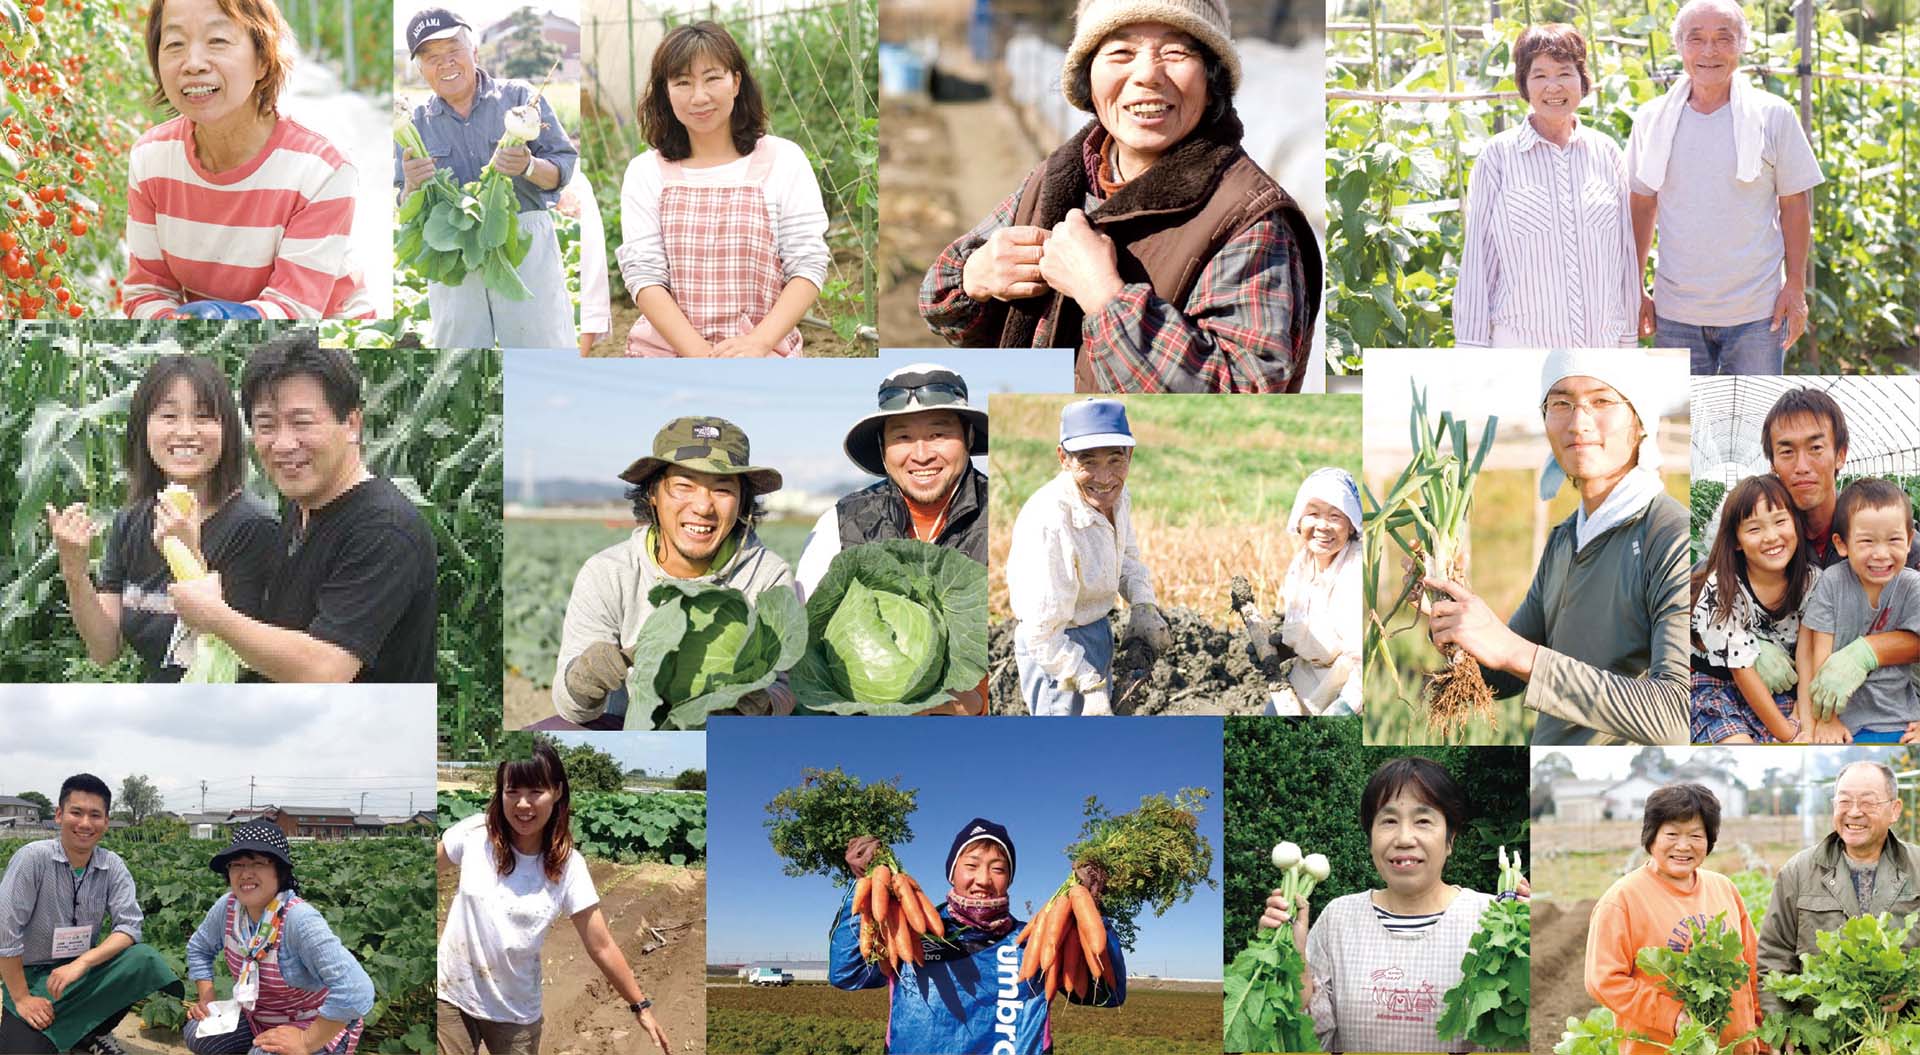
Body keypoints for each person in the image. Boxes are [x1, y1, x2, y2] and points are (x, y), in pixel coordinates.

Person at [917, 0, 1321, 392]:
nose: (1148, 74)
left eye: (1177, 51)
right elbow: (937, 299)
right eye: (1121, 52)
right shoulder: (1062, 176)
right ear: (1087, 79)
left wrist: (1106, 298)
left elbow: (1243, 393)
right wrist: (977, 275)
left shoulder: (1249, 220)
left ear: (1213, 80)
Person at [1423, 348, 1689, 744]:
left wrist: (1516, 653)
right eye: (1561, 403)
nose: (1579, 423)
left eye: (1601, 401)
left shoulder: (1671, 537)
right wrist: (1453, 616)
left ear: (1639, 421)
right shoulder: (1566, 538)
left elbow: (1675, 715)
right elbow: (1503, 674)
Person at [167, 336, 438, 683]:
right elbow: (267, 638)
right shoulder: (303, 509)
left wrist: (215, 617)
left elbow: (325, 668)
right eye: (266, 425)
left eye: (302, 422)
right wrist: (190, 551)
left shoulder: (384, 529)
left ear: (351, 425)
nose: (282, 444)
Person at [123, 0, 372, 319]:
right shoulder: (151, 159)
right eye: (174, 44)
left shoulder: (320, 169)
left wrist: (215, 321)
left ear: (263, 61)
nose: (193, 63)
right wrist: (179, 326)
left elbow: (293, 308)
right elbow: (147, 290)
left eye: (218, 41)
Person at [1260, 757, 1526, 1052]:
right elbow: (1308, 1040)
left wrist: (1528, 943)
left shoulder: (1492, 919)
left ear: (1450, 839)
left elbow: (1514, 1037)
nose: (1404, 838)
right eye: (1388, 821)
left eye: (1423, 821)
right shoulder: (1338, 918)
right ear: (1370, 838)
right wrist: (1291, 957)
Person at [546, 416, 796, 729]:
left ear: (742, 501)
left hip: (725, 734)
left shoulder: (768, 577)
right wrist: (582, 681)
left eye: (722, 490)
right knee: (553, 731)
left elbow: (787, 689)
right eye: (684, 486)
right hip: (631, 726)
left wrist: (764, 703)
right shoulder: (608, 573)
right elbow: (572, 709)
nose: (703, 507)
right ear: (652, 492)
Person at [44, 355, 278, 682]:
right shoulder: (131, 522)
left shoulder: (253, 528)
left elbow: (228, 660)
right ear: (144, 427)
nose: (185, 432)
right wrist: (74, 571)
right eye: (168, 416)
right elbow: (105, 649)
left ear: (227, 430)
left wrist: (190, 556)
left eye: (203, 416)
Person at [1628, 0, 1823, 374]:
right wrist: (1635, 288)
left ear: (1742, 44)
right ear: (1678, 46)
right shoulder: (1653, 119)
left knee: (1754, 424)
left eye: (1723, 38)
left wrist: (1795, 287)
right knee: (1682, 429)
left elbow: (1795, 206)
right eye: (1695, 39)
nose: (1709, 51)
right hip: (1676, 311)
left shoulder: (1773, 115)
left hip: (1757, 311)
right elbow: (1642, 204)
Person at [437, 742, 669, 1055]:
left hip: (515, 1012)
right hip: (451, 995)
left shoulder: (568, 866)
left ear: (557, 792)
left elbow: (600, 945)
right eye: (512, 791)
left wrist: (640, 1005)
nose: (522, 804)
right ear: (500, 792)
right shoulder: (476, 834)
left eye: (535, 791)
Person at [616, 21, 829, 357]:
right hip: (667, 351)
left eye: (712, 78)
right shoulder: (645, 172)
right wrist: (699, 353)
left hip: (762, 347)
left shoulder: (784, 159)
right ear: (666, 92)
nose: (699, 96)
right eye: (682, 82)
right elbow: (644, 274)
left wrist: (758, 342)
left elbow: (808, 263)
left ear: (736, 82)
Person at [795, 363, 989, 715]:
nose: (921, 454)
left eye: (938, 434)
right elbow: (803, 647)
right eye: (902, 437)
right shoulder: (839, 526)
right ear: (883, 448)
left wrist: (976, 704)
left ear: (969, 438)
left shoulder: (1007, 517)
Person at [830, 820, 1122, 1053]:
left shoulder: (1036, 940)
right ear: (952, 873)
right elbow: (847, 973)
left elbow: (1105, 995)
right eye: (971, 866)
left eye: (998, 869)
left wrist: (1093, 913)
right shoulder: (907, 930)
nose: (983, 879)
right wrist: (865, 890)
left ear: (1009, 879)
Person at [396, 8, 578, 349]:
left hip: (521, 240)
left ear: (474, 52)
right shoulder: (414, 124)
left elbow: (562, 167)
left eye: (454, 52)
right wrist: (411, 186)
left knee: (539, 347)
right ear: (420, 69)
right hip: (451, 247)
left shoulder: (520, 99)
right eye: (432, 58)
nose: (446, 64)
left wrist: (528, 166)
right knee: (460, 358)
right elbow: (403, 205)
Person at [1453, 23, 1637, 347]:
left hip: (1600, 351)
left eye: (1565, 73)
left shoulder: (1607, 153)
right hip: (1521, 351)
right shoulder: (1497, 158)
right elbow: (1477, 267)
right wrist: (1471, 352)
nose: (1553, 86)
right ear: (1524, 85)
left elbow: (1624, 259)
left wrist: (1628, 342)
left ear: (1582, 80)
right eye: (1539, 75)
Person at [1007, 399, 1171, 715]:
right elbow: (1042, 633)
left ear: (1130, 456)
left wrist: (1142, 603)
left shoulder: (1118, 497)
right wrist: (1089, 685)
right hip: (1054, 651)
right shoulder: (1052, 521)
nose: (1105, 477)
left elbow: (1125, 556)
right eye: (1088, 462)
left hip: (1097, 630)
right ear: (1063, 459)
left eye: (1114, 460)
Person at [0, 774, 182, 1055]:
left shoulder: (112, 866)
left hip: (80, 974)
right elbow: (5, 932)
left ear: (106, 822)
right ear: (59, 815)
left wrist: (83, 962)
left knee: (142, 959)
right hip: (32, 978)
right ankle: (70, 1033)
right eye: (76, 812)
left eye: (95, 815)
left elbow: (129, 927)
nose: (85, 824)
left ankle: (93, 1033)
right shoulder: (32, 859)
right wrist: (22, 998)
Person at [1584, 783, 1760, 1055]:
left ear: (1709, 840)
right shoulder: (1621, 900)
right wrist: (1673, 1016)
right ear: (1651, 837)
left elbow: (1752, 966)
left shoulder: (1724, 888)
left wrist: (1760, 1031)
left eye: (1696, 836)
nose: (1683, 846)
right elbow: (1603, 980)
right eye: (1672, 834)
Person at [181, 824, 374, 1054]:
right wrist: (207, 999)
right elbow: (199, 948)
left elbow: (357, 989)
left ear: (280, 872)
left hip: (318, 1025)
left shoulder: (298, 919)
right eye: (237, 864)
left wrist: (305, 1040)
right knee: (198, 1031)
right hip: (258, 1019)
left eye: (258, 863)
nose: (245, 873)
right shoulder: (228, 908)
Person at [1758, 761, 1920, 1026]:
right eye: (1844, 801)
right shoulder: (1798, 871)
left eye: (1868, 803)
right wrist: (1781, 1026)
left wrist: (1910, 990)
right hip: (1822, 1037)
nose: (1854, 813)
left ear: (1895, 809)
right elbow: (1774, 954)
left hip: (1904, 1033)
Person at [1689, 474, 1818, 743]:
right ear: (1735, 540)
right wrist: (1787, 734)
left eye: (1780, 521)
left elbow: (1807, 653)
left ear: (1796, 523)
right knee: (1739, 744)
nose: (1771, 537)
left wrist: (1802, 715)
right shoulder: (1721, 588)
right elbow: (1741, 669)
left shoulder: (1811, 582)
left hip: (1777, 689)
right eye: (1754, 529)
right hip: (1717, 684)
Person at [1795, 478, 1920, 744]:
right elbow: (1821, 655)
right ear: (1842, 544)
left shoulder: (1912, 587)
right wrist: (1827, 720)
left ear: (1909, 540)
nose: (1881, 554)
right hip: (1845, 721)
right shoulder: (1832, 582)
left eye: (1894, 540)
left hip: (1901, 720)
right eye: (1866, 541)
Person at [1266, 467, 1362, 715]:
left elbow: (1363, 658)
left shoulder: (1357, 571)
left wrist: (1349, 705)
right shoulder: (1301, 565)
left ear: (1351, 525)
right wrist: (1278, 651)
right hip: (1308, 674)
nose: (1322, 526)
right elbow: (1310, 636)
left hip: (1352, 681)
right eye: (1313, 514)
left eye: (1335, 517)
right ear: (1299, 520)